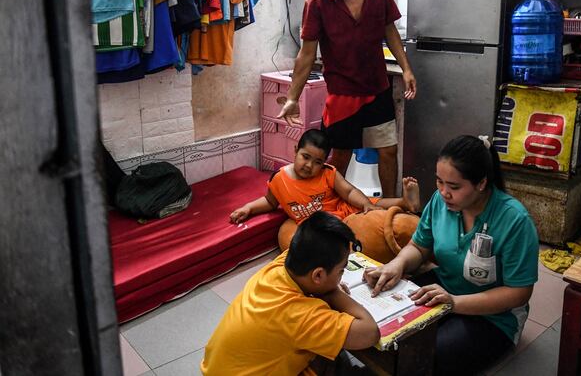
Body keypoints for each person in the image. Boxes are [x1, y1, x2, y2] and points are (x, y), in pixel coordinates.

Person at [364, 135, 539, 375]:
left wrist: (454, 303)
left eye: (454, 187)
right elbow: (419, 247)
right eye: (439, 182)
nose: (444, 192)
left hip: (493, 317)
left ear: (481, 183)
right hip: (443, 288)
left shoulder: (514, 221)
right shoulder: (441, 202)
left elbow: (518, 292)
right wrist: (397, 264)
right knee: (380, 326)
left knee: (427, 356)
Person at [277, 0, 416, 198]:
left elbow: (390, 30)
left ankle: (387, 208)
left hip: (377, 87)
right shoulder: (316, 2)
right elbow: (306, 54)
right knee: (339, 154)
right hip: (342, 93)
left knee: (387, 150)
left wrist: (406, 68)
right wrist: (293, 97)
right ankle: (327, 208)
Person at [201, 212, 380, 375]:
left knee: (322, 352)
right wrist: (333, 292)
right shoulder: (300, 315)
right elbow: (370, 333)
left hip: (217, 368)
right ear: (318, 275)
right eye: (341, 270)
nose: (341, 277)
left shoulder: (280, 266)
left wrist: (329, 284)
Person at [229, 129, 420, 227]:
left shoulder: (328, 172)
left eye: (317, 162)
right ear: (296, 151)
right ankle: (402, 205)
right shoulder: (279, 179)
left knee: (374, 204)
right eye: (305, 157)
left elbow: (349, 191)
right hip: (324, 225)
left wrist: (365, 205)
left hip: (345, 211)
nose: (310, 166)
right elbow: (270, 202)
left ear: (324, 162)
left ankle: (405, 203)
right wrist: (248, 208)